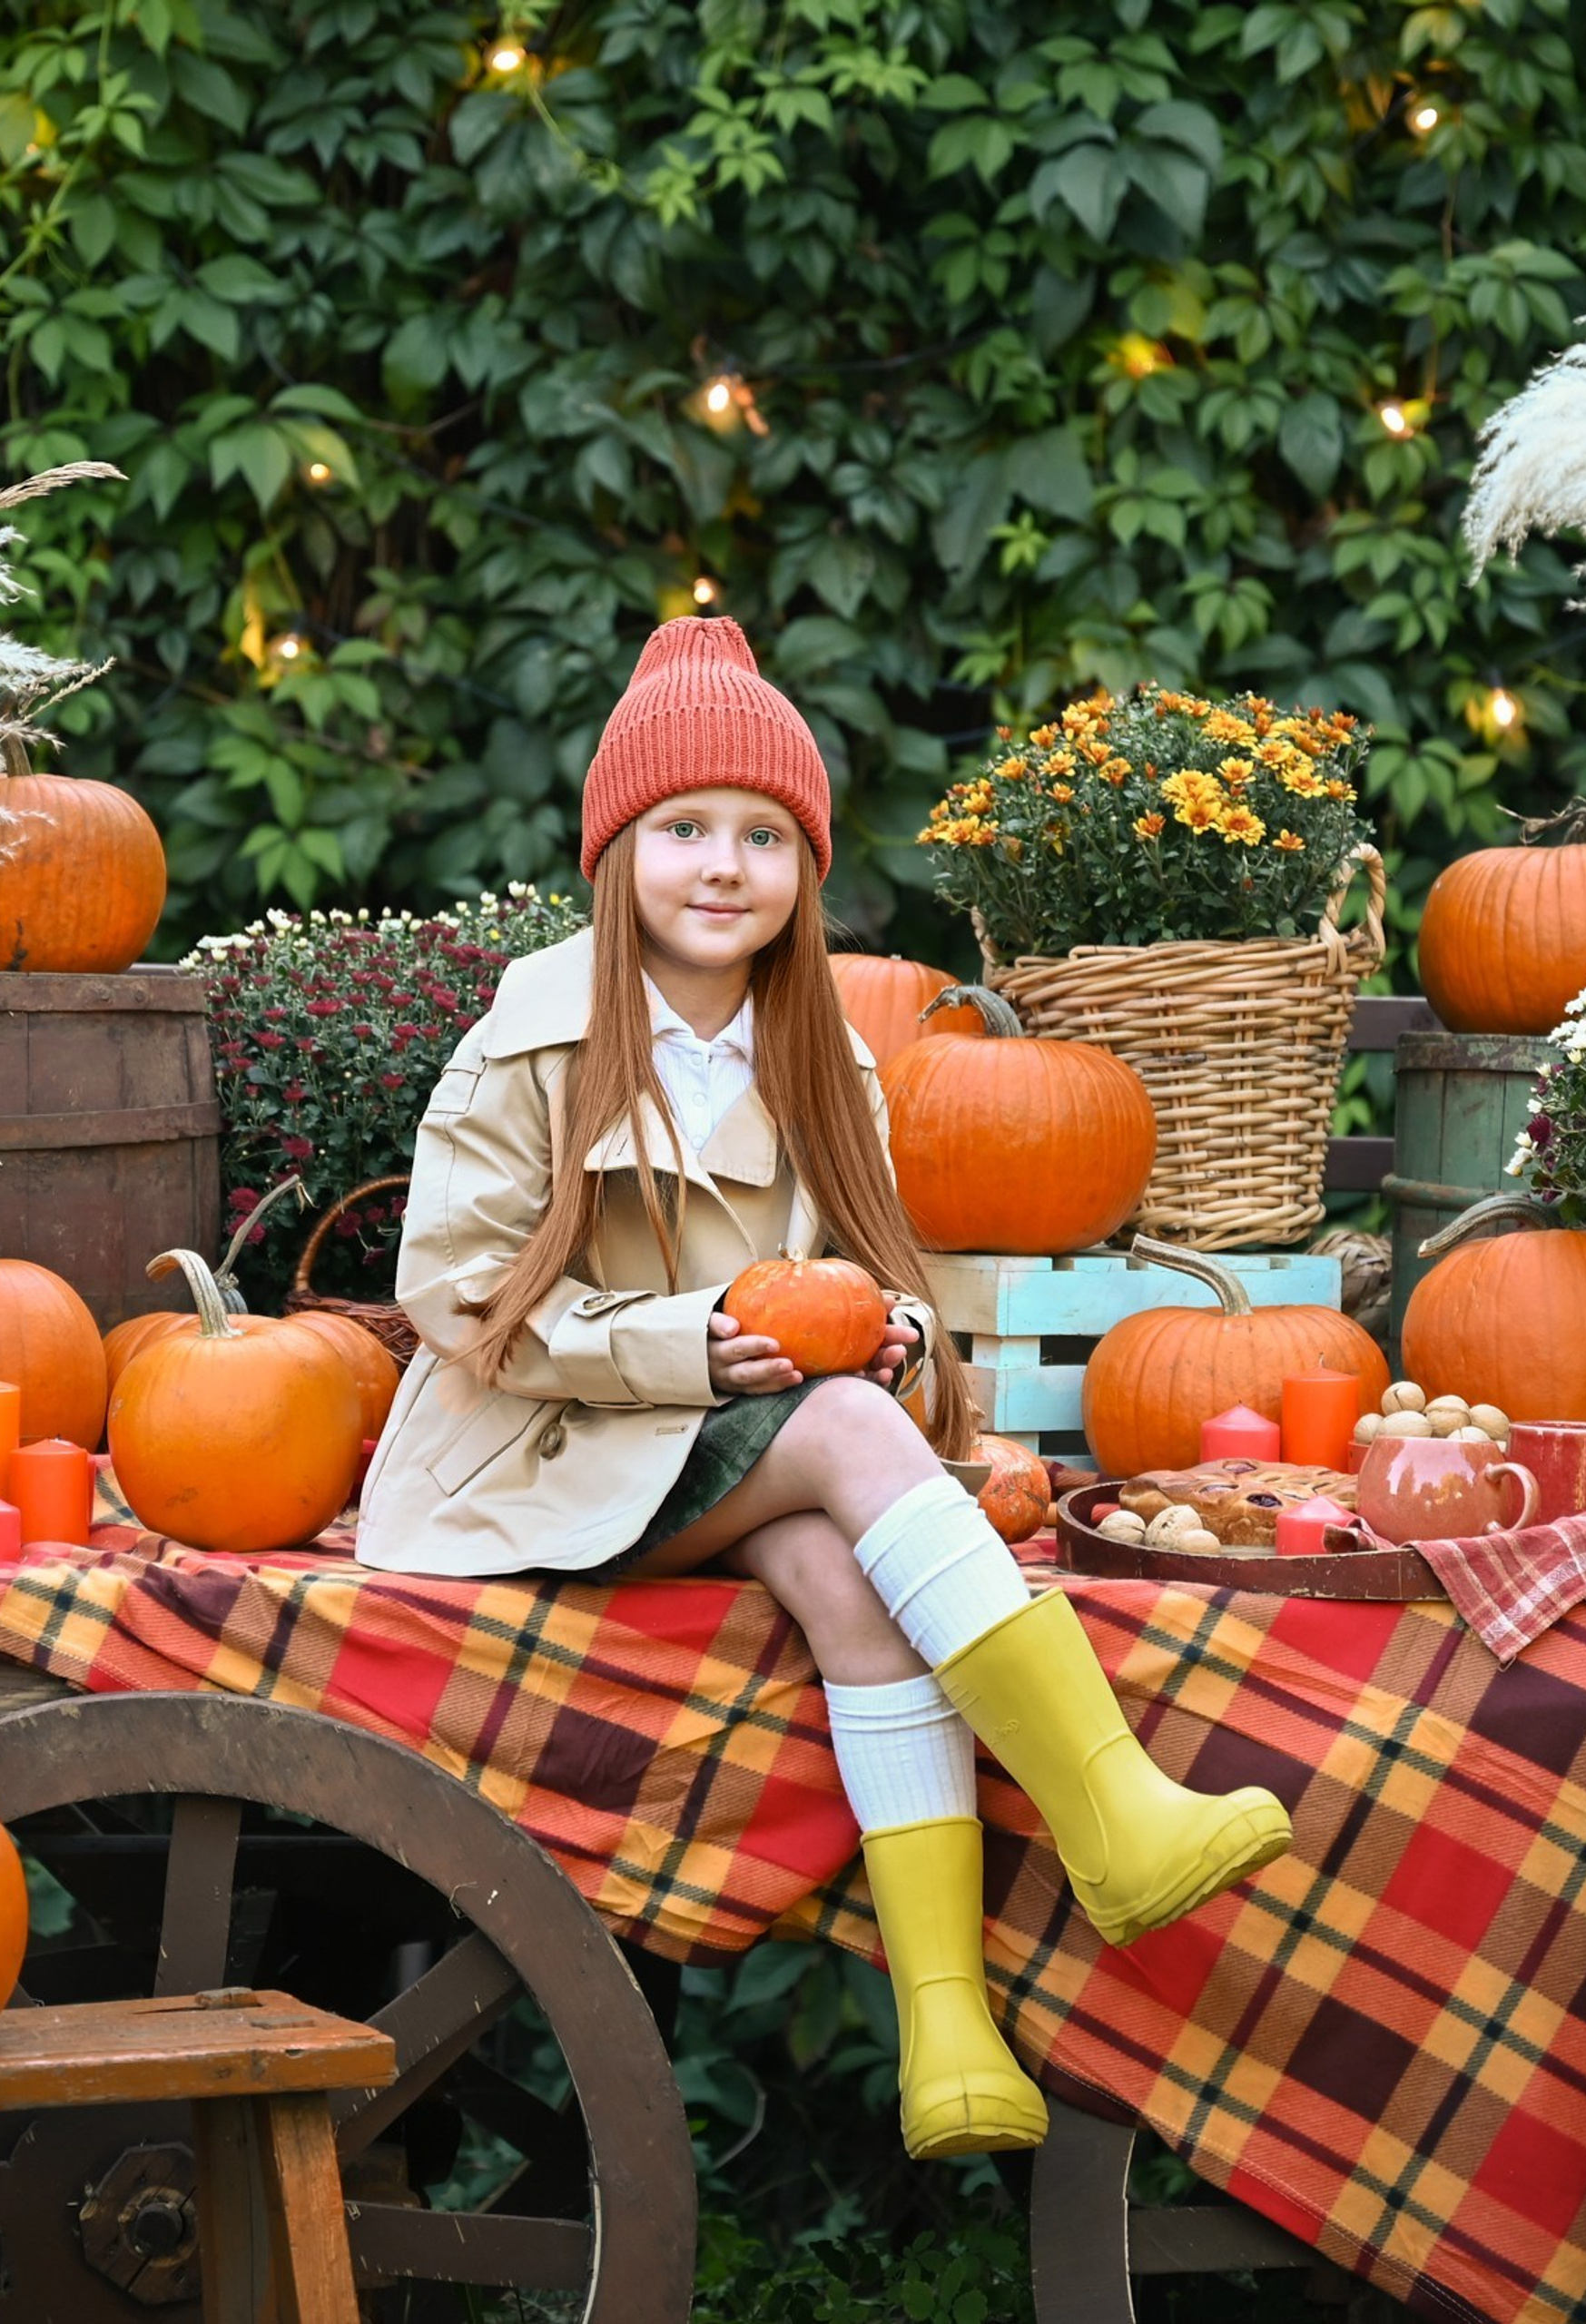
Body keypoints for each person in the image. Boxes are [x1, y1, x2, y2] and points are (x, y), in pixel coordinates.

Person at [356, 616, 1293, 2160]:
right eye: (683, 831)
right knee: (843, 1437)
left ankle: (950, 2032)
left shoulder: (823, 1056)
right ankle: (1112, 1809)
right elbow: (456, 1300)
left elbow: (871, 1267)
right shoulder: (532, 1043)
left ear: (804, 868)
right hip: (545, 1454)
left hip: (740, 1448)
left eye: (764, 836)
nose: (723, 866)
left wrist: (901, 1334)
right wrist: (684, 1343)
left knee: (842, 1577)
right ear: (618, 856)